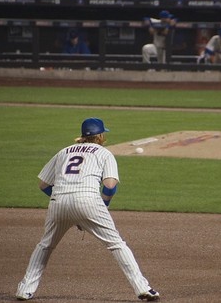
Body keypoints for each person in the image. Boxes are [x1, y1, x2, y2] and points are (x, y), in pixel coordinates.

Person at [15, 117, 160, 302]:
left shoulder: (63, 152)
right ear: (100, 135)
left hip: (58, 201)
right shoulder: (104, 153)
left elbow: (43, 185)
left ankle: (25, 289)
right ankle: (143, 288)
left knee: (45, 246)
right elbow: (109, 186)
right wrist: (101, 208)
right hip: (89, 200)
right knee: (116, 244)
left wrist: (66, 203)